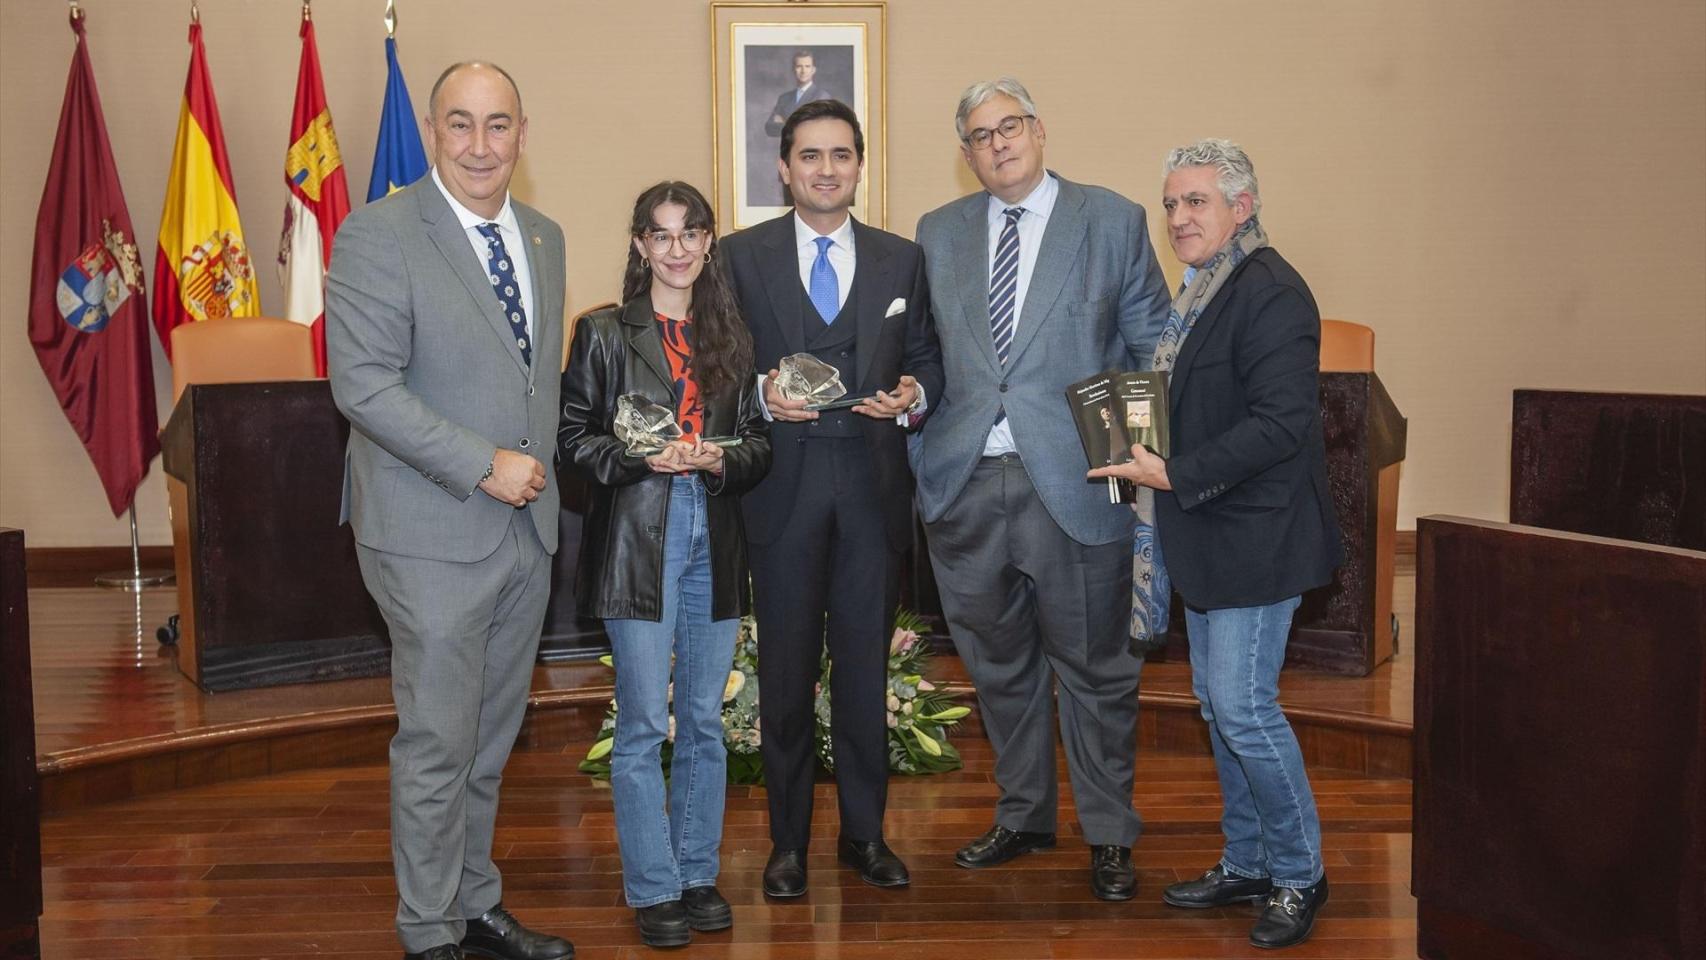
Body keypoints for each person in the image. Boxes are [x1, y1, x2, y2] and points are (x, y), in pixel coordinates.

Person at [326, 61, 571, 960]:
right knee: (437, 741)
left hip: (524, 533)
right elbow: (362, 386)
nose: (480, 145)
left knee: (490, 740)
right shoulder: (378, 234)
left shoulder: (541, 235)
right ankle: (429, 933)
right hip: (428, 529)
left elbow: (530, 382)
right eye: (460, 124)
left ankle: (474, 905)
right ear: (431, 131)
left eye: (498, 124)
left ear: (521, 131)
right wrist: (481, 465)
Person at [911, 77, 1170, 902]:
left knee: (1097, 670)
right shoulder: (939, 232)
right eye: (980, 135)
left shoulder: (1111, 219)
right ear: (966, 154)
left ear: (1040, 129)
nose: (998, 144)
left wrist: (1141, 470)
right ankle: (1023, 814)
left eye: (1010, 126)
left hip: (1080, 481)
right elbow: (924, 353)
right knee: (998, 667)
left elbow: (1149, 349)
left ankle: (1108, 834)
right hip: (965, 483)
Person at [1089, 138, 1342, 949]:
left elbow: (1282, 424)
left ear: (1242, 205)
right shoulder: (1205, 288)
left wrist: (1171, 472)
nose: (1177, 218)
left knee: (1244, 709)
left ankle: (1300, 874)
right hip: (1207, 533)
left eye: (1195, 201)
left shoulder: (1271, 292)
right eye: (1169, 203)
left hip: (1255, 540)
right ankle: (1247, 861)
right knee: (1220, 708)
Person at [718, 98, 943, 899]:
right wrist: (756, 395)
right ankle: (786, 845)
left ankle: (863, 836)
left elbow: (928, 360)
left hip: (873, 494)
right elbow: (716, 367)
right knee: (782, 678)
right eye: (809, 155)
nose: (825, 168)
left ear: (858, 165)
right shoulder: (739, 257)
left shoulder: (901, 259)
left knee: (862, 677)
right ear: (784, 167)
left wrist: (914, 391)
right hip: (780, 493)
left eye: (840, 155)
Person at [558, 181, 772, 949]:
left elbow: (758, 445)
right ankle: (652, 888)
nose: (676, 249)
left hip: (712, 532)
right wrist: (639, 456)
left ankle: (695, 874)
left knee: (707, 724)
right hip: (637, 537)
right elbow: (573, 442)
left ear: (709, 241)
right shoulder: (604, 333)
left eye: (690, 234)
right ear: (641, 244)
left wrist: (719, 457)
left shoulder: (733, 337)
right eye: (661, 235)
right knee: (646, 724)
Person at [763, 51, 834, 136]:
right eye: (799, 66)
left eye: (807, 66)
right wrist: (801, 123)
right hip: (789, 148)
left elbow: (819, 129)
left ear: (813, 70)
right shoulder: (784, 98)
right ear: (793, 69)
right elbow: (770, 129)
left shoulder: (822, 96)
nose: (803, 71)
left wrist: (785, 121)